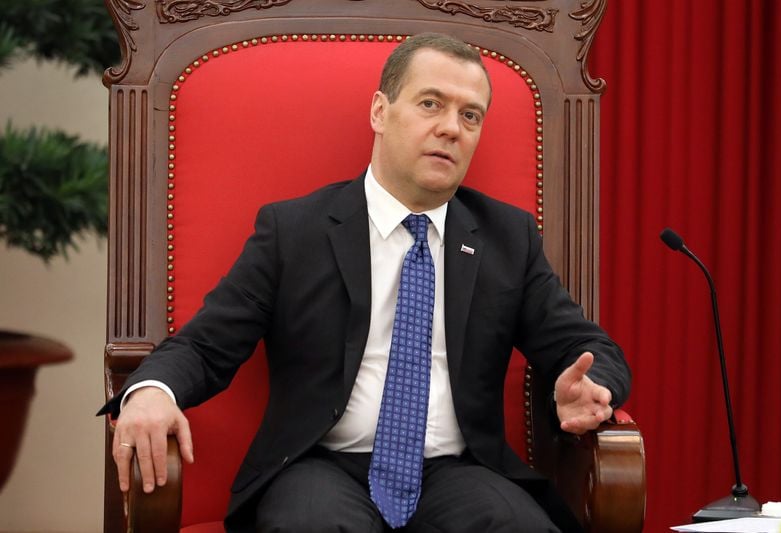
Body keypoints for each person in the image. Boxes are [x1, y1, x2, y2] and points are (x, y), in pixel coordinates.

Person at [100, 33, 630, 533]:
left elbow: (588, 348)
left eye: (470, 115)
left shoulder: (507, 238)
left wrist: (591, 388)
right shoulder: (294, 231)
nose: (451, 128)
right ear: (380, 111)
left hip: (457, 470)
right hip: (319, 465)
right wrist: (151, 392)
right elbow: (205, 345)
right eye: (431, 104)